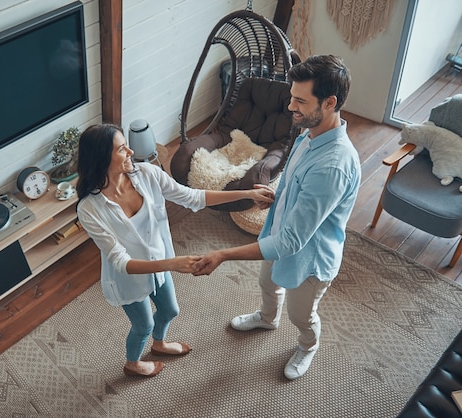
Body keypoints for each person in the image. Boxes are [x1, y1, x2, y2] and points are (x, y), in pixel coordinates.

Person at [192, 55, 361, 380]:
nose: (290, 107)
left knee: (302, 315)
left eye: (300, 100)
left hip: (308, 261)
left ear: (329, 103)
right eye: (291, 97)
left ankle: (308, 346)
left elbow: (290, 242)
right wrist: (279, 196)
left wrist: (224, 254)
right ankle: (268, 318)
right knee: (267, 283)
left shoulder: (332, 166)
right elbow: (295, 185)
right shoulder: (308, 134)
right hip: (278, 234)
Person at [75, 123, 275, 377]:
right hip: (129, 278)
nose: (130, 150)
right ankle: (132, 364)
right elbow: (120, 262)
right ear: (102, 158)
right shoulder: (90, 209)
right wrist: (172, 264)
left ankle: (159, 344)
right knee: (143, 325)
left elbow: (193, 197)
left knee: (170, 310)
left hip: (160, 263)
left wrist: (245, 193)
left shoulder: (147, 174)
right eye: (120, 148)